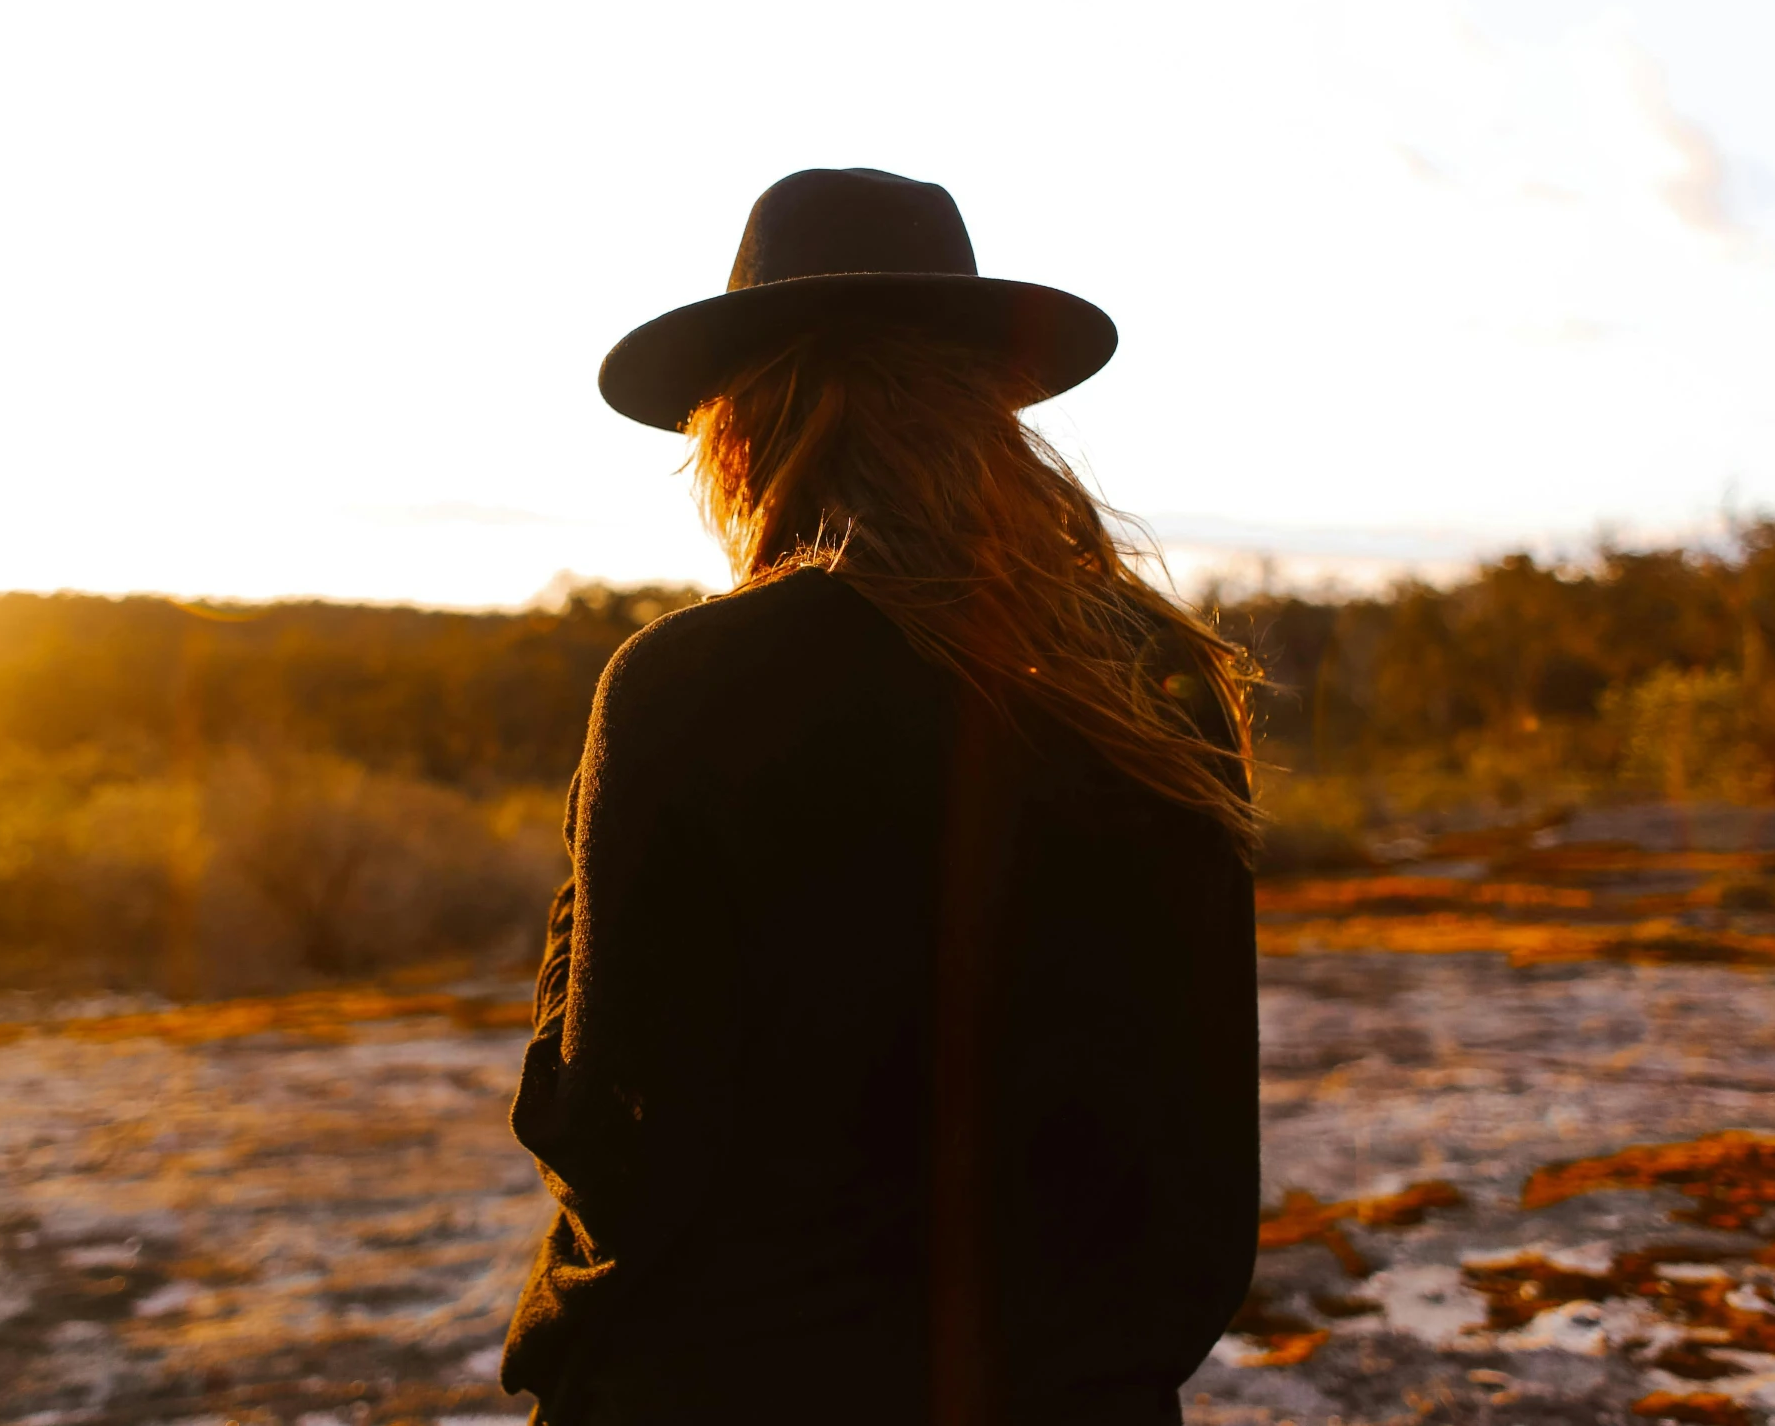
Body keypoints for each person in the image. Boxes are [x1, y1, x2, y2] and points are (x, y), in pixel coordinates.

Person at [499, 168, 1260, 1425]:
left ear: (737, 425)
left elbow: (616, 1145)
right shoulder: (1154, 681)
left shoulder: (693, 685)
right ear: (987, 408)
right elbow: (1195, 1166)